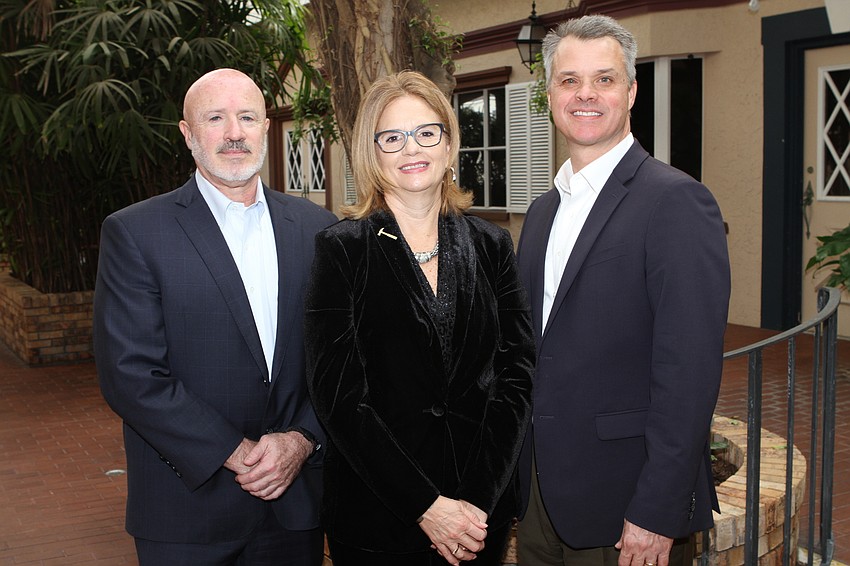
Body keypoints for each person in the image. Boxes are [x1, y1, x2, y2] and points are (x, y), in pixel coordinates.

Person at [93, 68, 337, 566]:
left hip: (295, 507)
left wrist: (303, 438)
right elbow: (129, 374)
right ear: (187, 133)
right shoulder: (136, 232)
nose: (234, 133)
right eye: (215, 118)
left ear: (265, 127)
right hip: (186, 510)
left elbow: (341, 359)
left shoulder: (318, 229)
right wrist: (234, 451)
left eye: (247, 117)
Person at [514, 15, 731, 566]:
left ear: (631, 92)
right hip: (539, 495)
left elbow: (689, 372)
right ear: (550, 94)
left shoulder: (676, 202)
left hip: (625, 502)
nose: (585, 94)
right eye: (569, 80)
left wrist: (658, 509)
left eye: (604, 79)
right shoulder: (541, 212)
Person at [304, 70, 535, 566]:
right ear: (372, 153)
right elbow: (337, 396)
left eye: (427, 132)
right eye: (392, 137)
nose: (412, 148)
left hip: (479, 515)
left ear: (449, 145)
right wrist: (426, 506)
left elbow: (516, 374)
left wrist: (476, 501)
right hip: (379, 518)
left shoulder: (491, 245)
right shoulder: (342, 249)